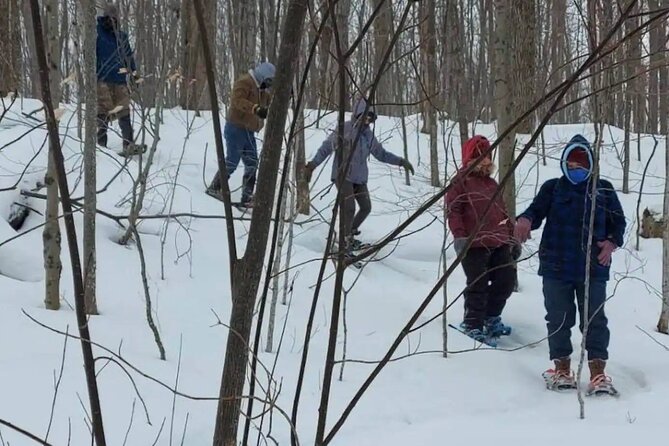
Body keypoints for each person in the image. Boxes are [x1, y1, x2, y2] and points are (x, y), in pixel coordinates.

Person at [514, 134, 626, 395]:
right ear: (564, 165)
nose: (577, 170)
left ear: (591, 165)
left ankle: (598, 373)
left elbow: (618, 224)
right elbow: (535, 212)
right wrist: (525, 221)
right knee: (558, 318)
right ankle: (562, 369)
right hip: (556, 266)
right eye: (572, 166)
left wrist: (611, 243)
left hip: (593, 269)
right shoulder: (552, 188)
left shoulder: (604, 189)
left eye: (582, 166)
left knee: (594, 320)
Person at [304, 98, 414, 252]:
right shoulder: (345, 129)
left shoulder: (368, 135)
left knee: (366, 207)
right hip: (343, 175)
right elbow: (327, 147)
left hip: (360, 177)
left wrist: (401, 162)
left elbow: (381, 154)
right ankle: (343, 243)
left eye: (370, 117)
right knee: (349, 207)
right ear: (358, 114)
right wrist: (312, 165)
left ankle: (349, 234)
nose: (367, 120)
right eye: (365, 116)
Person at [445, 135, 516, 346]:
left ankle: (491, 316)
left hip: (499, 240)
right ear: (470, 159)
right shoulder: (460, 183)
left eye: (487, 156)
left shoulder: (492, 184)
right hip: (473, 243)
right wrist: (459, 236)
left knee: (506, 280)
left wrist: (512, 238)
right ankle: (473, 323)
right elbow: (453, 210)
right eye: (479, 156)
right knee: (478, 284)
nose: (485, 161)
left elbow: (502, 211)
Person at [206, 62, 275, 208]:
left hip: (249, 131)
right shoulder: (245, 82)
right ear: (262, 75)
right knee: (232, 160)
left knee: (252, 162)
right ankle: (215, 187)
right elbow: (237, 101)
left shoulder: (262, 89)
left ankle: (247, 197)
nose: (268, 84)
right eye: (268, 80)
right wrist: (255, 109)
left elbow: (268, 102)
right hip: (236, 128)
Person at [96, 3, 144, 156]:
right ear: (104, 18)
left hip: (120, 80)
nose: (112, 21)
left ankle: (128, 145)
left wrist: (134, 74)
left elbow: (128, 56)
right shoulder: (97, 33)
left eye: (114, 18)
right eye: (109, 18)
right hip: (102, 78)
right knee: (103, 111)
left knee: (124, 111)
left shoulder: (121, 36)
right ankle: (101, 145)